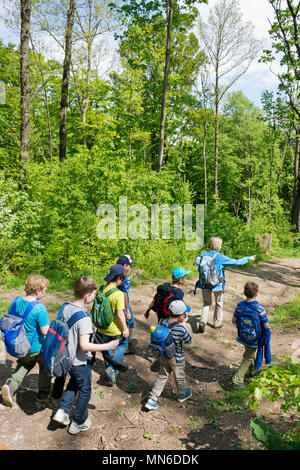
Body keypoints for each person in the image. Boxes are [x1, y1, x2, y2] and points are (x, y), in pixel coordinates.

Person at [53, 276, 119, 434]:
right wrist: (108, 345)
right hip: (79, 361)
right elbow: (84, 345)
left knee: (73, 384)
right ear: (87, 295)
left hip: (66, 357)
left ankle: (62, 411)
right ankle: (79, 422)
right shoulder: (83, 318)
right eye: (94, 293)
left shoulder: (66, 307)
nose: (95, 296)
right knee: (85, 389)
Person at [1, 275, 51, 408]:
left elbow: (11, 319)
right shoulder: (39, 308)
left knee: (23, 365)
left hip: (20, 345)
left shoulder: (16, 302)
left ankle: (10, 385)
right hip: (37, 347)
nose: (45, 292)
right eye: (44, 289)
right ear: (38, 291)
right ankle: (43, 396)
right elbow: (46, 331)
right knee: (45, 369)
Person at [197, 237, 256, 333]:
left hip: (204, 284)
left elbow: (200, 270)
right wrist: (248, 258)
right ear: (217, 246)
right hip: (217, 285)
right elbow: (236, 262)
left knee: (206, 303)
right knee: (219, 303)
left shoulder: (203, 256)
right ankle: (217, 323)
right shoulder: (220, 257)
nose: (221, 246)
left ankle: (202, 321)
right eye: (220, 244)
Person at [145, 300, 192, 410]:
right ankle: (182, 394)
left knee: (162, 375)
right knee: (179, 376)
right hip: (176, 358)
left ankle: (152, 399)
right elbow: (188, 340)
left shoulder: (162, 321)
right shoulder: (181, 328)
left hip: (163, 355)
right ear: (181, 315)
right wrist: (184, 325)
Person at [231, 281, 270, 388]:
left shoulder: (240, 306)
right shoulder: (259, 308)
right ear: (257, 293)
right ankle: (237, 380)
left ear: (244, 292)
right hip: (254, 338)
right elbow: (266, 325)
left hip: (243, 336)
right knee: (248, 357)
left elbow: (233, 321)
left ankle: (252, 372)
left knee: (249, 353)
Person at [97, 264, 129, 384]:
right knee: (124, 343)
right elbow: (120, 315)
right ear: (119, 278)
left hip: (102, 327)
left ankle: (109, 372)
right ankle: (111, 368)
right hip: (114, 329)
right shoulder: (118, 294)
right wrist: (125, 328)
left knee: (107, 349)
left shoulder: (101, 290)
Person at [117, 254, 137, 353]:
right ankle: (125, 346)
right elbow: (125, 294)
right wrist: (128, 310)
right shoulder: (125, 278)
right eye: (129, 265)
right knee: (130, 322)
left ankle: (124, 344)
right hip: (123, 304)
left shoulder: (114, 273)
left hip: (114, 301)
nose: (130, 267)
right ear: (125, 265)